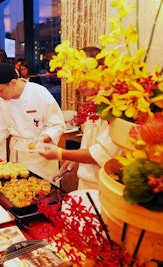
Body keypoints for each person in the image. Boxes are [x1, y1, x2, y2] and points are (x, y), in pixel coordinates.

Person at [39, 46, 122, 190]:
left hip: (103, 186)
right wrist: (73, 159)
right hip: (87, 181)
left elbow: (102, 152)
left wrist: (60, 153)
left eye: (83, 74)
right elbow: (90, 143)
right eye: (75, 77)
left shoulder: (114, 106)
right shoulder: (95, 102)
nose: (77, 84)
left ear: (101, 72)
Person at [0, 63, 65, 181]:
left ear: (13, 83)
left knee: (42, 192)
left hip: (40, 154)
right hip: (17, 154)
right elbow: (1, 129)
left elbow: (57, 125)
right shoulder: (4, 100)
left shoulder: (39, 93)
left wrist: (41, 139)